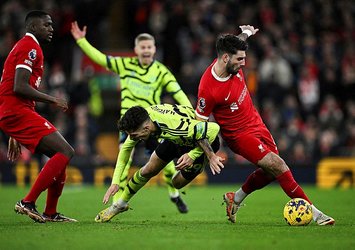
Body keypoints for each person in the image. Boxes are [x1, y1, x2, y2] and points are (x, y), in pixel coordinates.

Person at [195, 25, 335, 226]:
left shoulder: (232, 55)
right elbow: (199, 125)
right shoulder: (208, 88)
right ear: (225, 58)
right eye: (239, 60)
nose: (243, 64)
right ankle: (314, 212)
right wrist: (210, 155)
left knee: (271, 172)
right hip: (239, 135)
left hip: (256, 123)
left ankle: (235, 198)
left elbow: (238, 40)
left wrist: (247, 33)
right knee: (279, 165)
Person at [70, 21, 192, 213]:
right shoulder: (125, 64)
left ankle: (174, 194)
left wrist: (191, 113)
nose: (146, 50)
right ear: (136, 49)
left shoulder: (161, 71)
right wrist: (82, 42)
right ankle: (118, 201)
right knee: (124, 157)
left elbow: (178, 93)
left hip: (152, 124)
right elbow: (101, 59)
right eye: (142, 47)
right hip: (130, 125)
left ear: (154, 49)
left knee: (165, 163)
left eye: (149, 47)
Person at [0, 10, 76, 223]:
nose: (51, 29)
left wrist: (14, 133)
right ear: (33, 27)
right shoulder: (29, 47)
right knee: (66, 151)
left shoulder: (26, 46)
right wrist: (53, 99)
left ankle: (50, 213)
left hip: (16, 111)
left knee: (59, 155)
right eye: (47, 25)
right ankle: (27, 202)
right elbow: (19, 86)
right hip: (16, 111)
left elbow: (9, 85)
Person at [94, 104, 224, 222]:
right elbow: (125, 150)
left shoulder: (175, 126)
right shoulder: (146, 119)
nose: (133, 139)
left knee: (177, 183)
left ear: (146, 128)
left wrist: (193, 155)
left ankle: (198, 165)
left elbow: (214, 129)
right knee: (148, 170)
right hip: (173, 139)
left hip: (200, 143)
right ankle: (119, 205)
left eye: (134, 135)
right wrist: (115, 182)